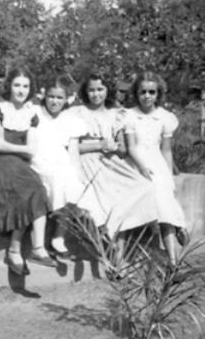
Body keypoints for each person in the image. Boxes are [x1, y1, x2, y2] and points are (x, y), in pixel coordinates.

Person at [68, 71, 158, 240]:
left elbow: (124, 150)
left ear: (107, 90)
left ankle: (112, 226)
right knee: (103, 196)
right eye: (92, 90)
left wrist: (115, 146)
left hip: (111, 161)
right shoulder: (77, 113)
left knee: (144, 186)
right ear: (86, 92)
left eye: (100, 89)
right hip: (87, 161)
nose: (96, 94)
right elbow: (71, 147)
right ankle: (107, 229)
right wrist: (98, 145)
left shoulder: (116, 114)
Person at [0, 66, 55, 276]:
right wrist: (21, 149)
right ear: (9, 86)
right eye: (17, 85)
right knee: (26, 189)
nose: (21, 90)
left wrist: (21, 149)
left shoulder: (31, 113)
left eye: (25, 86)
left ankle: (34, 248)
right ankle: (19, 250)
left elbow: (32, 148)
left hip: (21, 163)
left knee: (38, 189)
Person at [125, 71, 189, 264]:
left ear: (157, 94)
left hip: (157, 161)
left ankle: (173, 259)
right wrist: (142, 166)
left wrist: (168, 176)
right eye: (143, 92)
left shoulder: (164, 118)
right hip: (136, 162)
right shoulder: (129, 116)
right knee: (155, 197)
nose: (147, 96)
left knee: (164, 195)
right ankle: (179, 225)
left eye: (151, 92)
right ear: (136, 93)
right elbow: (131, 147)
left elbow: (166, 151)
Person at [30, 75, 89, 258]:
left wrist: (79, 173)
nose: (54, 101)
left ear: (67, 100)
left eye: (59, 98)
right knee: (56, 179)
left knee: (75, 184)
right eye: (51, 97)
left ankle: (59, 236)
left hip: (60, 160)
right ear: (44, 96)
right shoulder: (35, 113)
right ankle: (49, 236)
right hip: (39, 160)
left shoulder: (70, 119)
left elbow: (73, 152)